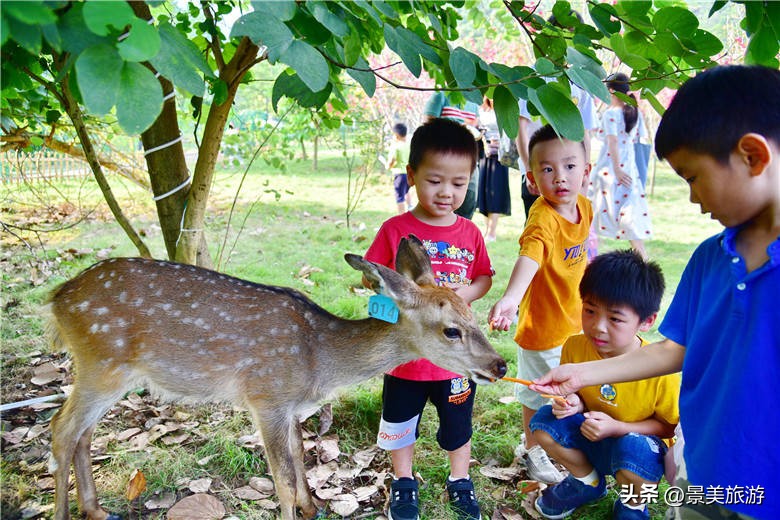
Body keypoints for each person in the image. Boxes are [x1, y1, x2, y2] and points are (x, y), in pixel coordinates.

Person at [531, 65, 780, 520]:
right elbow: (672, 349)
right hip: (707, 471)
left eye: (692, 177)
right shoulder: (710, 259)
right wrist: (581, 376)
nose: (691, 198)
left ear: (752, 156)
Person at [364, 117, 494, 520]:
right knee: (401, 422)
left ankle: (460, 480)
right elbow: (375, 277)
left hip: (457, 360)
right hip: (406, 359)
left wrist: (458, 298)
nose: (447, 192)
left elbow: (483, 278)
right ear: (412, 175)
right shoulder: (395, 229)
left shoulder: (470, 232)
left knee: (458, 424)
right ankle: (403, 482)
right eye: (435, 180)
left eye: (459, 183)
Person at [531, 250, 680, 520]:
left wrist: (618, 428)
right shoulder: (575, 347)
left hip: (637, 447)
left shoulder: (662, 370)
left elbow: (668, 426)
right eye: (589, 310)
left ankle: (633, 504)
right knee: (544, 423)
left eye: (615, 318)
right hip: (589, 435)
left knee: (634, 450)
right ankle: (586, 482)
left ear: (646, 321)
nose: (598, 327)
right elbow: (578, 395)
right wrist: (574, 404)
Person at [488, 124, 593, 484]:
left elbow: (583, 255)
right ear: (532, 180)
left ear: (586, 170)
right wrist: (511, 299)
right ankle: (533, 450)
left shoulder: (585, 207)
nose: (560, 177)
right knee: (536, 396)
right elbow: (530, 255)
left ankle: (558, 442)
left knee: (569, 389)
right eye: (547, 169)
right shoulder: (542, 216)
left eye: (569, 166)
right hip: (543, 328)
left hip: (575, 323)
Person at [515, 10, 598, 221]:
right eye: (562, 32)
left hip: (570, 175)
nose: (567, 39)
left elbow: (584, 131)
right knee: (539, 234)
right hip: (541, 170)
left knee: (569, 237)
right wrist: (529, 171)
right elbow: (520, 129)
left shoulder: (581, 80)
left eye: (573, 33)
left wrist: (584, 172)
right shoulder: (534, 76)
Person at [590, 72, 652, 259]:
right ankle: (642, 258)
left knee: (596, 214)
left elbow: (613, 142)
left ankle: (590, 258)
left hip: (610, 168)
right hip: (629, 168)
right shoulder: (634, 112)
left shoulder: (611, 114)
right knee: (629, 217)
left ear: (611, 91)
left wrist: (616, 168)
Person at [423, 91, 481, 220]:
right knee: (440, 210)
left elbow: (474, 128)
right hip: (442, 162)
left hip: (467, 160)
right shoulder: (440, 95)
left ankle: (461, 239)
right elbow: (428, 128)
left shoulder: (474, 101)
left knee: (468, 204)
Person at [477, 97, 511, 241]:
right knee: (484, 193)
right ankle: (487, 230)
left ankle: (492, 232)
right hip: (484, 155)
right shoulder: (481, 110)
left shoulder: (505, 110)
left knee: (496, 194)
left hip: (500, 157)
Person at [386, 122, 413, 214]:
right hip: (410, 174)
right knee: (406, 191)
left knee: (399, 197)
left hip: (400, 174)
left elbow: (392, 161)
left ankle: (401, 217)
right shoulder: (410, 145)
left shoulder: (396, 146)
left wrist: (388, 166)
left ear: (396, 135)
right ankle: (410, 208)